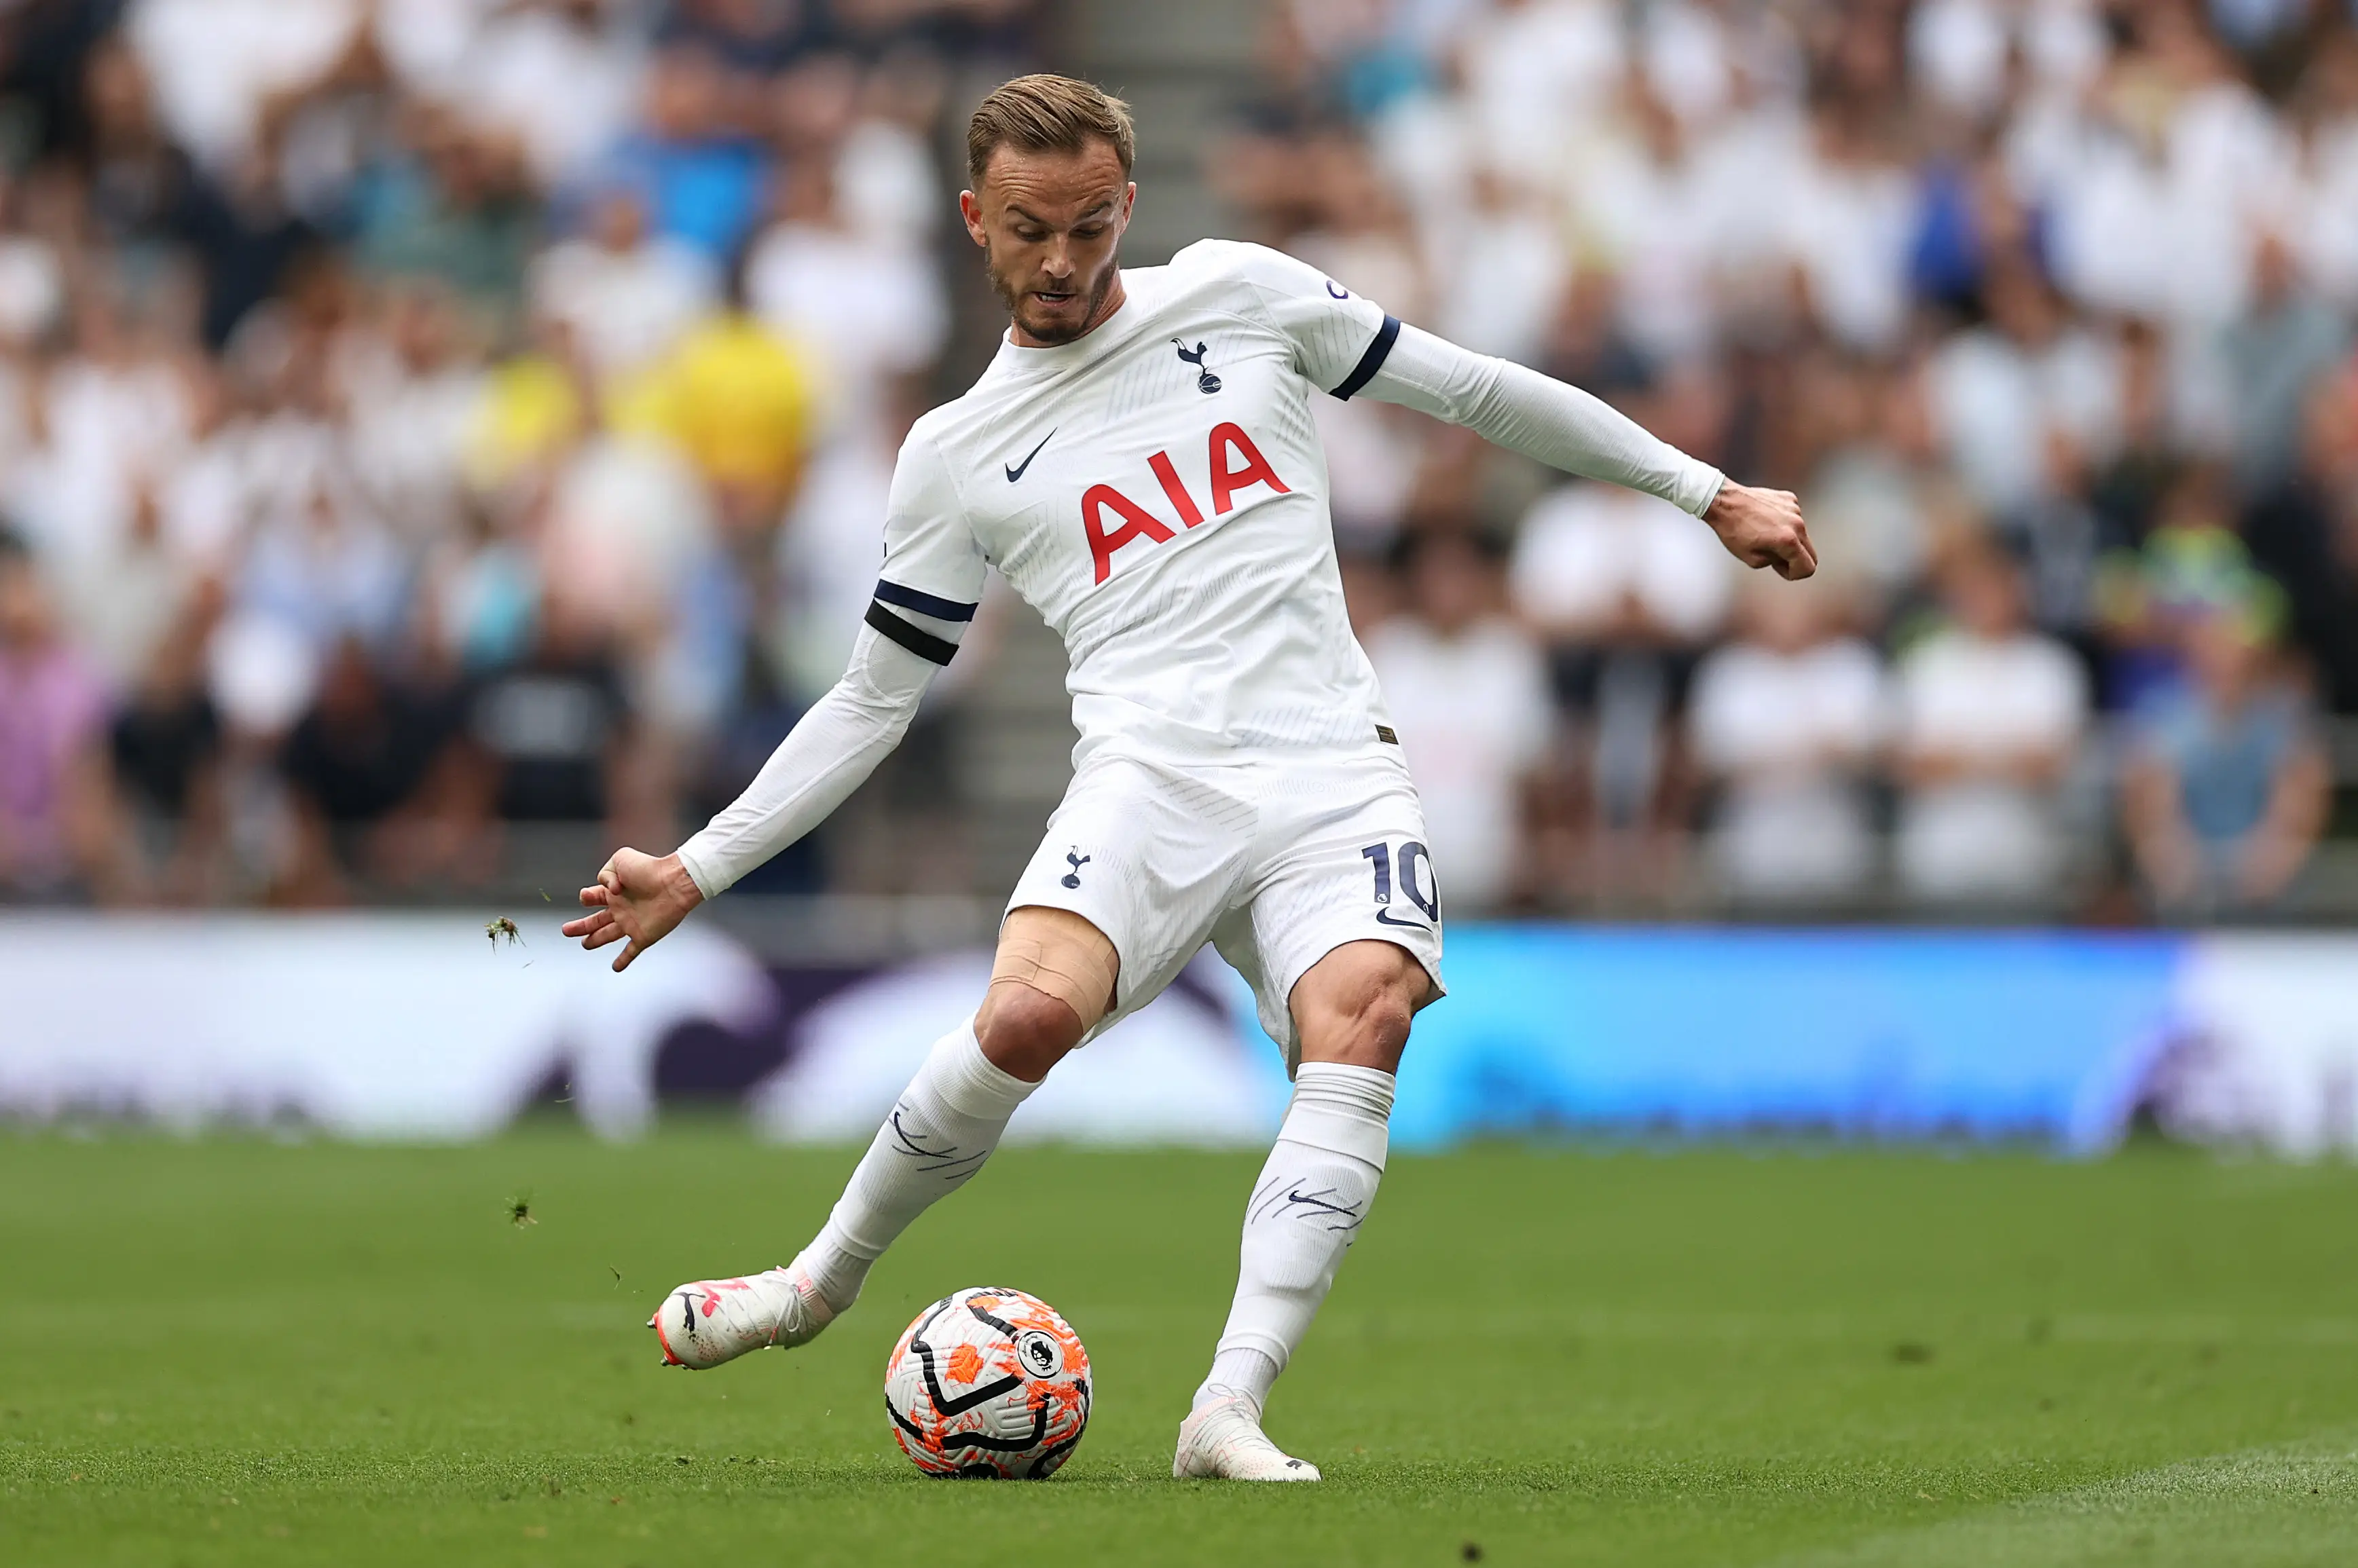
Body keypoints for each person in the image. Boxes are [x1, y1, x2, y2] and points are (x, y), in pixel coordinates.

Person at [562, 76, 1813, 1482]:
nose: (1060, 260)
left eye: (1089, 225)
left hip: (1330, 765)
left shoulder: (1241, 294)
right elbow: (873, 700)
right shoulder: (953, 454)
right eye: (1029, 229)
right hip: (1148, 777)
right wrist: (699, 865)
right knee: (1027, 1016)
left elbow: (1472, 389)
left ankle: (1226, 1407)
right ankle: (814, 1285)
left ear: (1128, 207)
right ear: (973, 220)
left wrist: (1705, 490)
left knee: (1365, 1017)